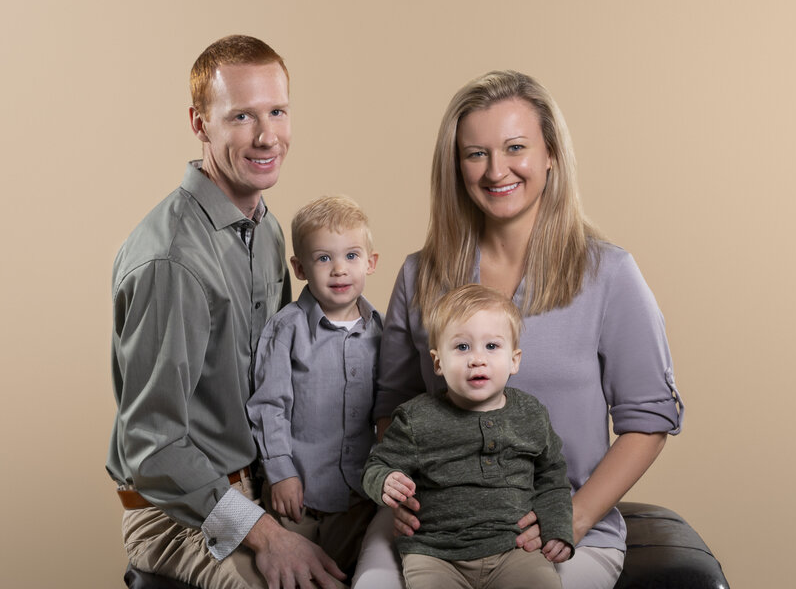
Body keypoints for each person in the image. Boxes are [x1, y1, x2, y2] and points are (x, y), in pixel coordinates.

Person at [352, 70, 684, 589]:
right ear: (456, 165)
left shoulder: (610, 274)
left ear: (550, 154)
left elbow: (649, 420)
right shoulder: (420, 275)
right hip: (434, 532)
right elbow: (393, 408)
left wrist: (572, 517)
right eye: (476, 153)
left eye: (515, 147)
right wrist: (399, 495)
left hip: (557, 531)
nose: (495, 170)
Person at [107, 35, 347, 589]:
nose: (267, 136)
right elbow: (153, 446)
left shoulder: (264, 228)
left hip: (261, 480)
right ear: (200, 123)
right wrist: (265, 533)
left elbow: (280, 370)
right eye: (241, 116)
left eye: (277, 112)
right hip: (177, 511)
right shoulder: (172, 260)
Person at [361, 284, 573, 589]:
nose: (477, 359)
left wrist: (557, 527)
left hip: (514, 549)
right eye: (462, 347)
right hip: (435, 554)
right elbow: (377, 464)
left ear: (514, 360)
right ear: (438, 362)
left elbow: (553, 476)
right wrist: (384, 480)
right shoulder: (416, 418)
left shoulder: (530, 413)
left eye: (491, 346)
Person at [247, 195, 382, 577]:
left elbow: (388, 404)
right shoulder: (286, 329)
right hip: (298, 498)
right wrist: (281, 472)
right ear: (300, 267)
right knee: (298, 578)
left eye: (352, 256)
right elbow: (269, 405)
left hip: (358, 498)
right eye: (324, 258)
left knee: (351, 576)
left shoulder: (382, 330)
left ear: (371, 263)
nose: (339, 270)